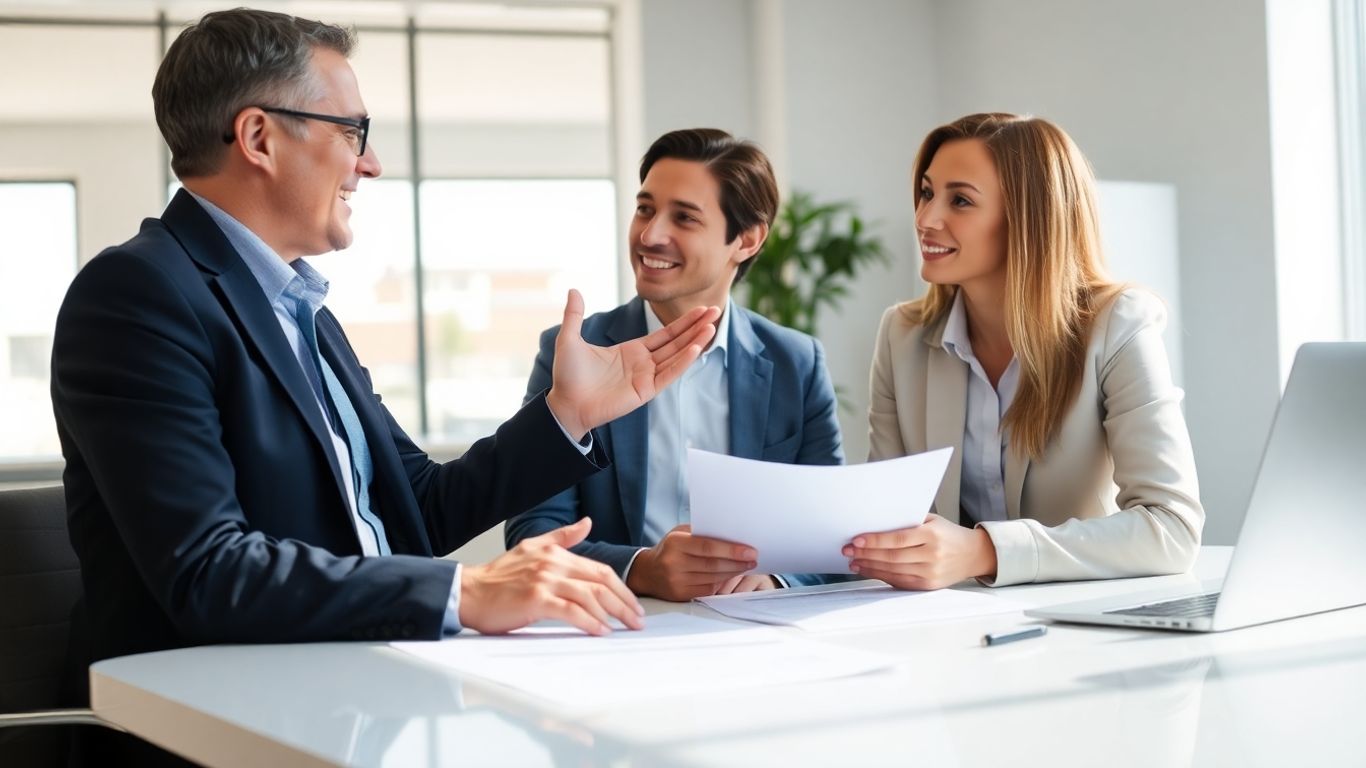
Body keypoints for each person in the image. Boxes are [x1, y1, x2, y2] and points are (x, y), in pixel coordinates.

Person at [50, 7, 725, 670]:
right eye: (353, 130)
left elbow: (415, 510)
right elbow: (209, 571)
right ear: (259, 138)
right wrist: (469, 589)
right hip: (221, 709)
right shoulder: (139, 295)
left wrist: (566, 415)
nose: (369, 163)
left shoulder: (298, 307)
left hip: (358, 676)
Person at [848, 112, 1203, 589]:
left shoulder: (1118, 324)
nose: (925, 219)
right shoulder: (902, 335)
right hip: (941, 627)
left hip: (1077, 626)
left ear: (1029, 218)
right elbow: (884, 518)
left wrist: (984, 551)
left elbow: (1172, 528)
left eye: (960, 200)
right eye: (927, 193)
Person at [505, 129, 846, 600]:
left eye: (683, 218)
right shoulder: (575, 350)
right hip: (620, 627)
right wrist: (642, 570)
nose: (650, 235)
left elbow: (832, 533)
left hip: (754, 631)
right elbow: (532, 532)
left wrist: (775, 581)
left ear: (746, 239)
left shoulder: (796, 363)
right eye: (645, 209)